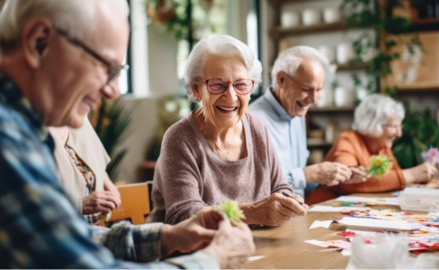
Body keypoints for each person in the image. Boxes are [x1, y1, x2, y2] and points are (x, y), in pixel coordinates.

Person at [0, 0, 254, 268]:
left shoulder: (26, 130)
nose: (114, 91)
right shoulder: (8, 140)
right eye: (104, 66)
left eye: (119, 71)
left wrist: (169, 237)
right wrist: (214, 259)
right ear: (39, 43)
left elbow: (63, 239)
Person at [148, 35, 309, 227]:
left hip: (252, 248)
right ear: (196, 89)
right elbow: (184, 215)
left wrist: (287, 202)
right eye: (217, 85)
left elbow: (279, 186)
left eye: (241, 84)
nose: (231, 96)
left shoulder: (257, 126)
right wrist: (253, 213)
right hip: (191, 253)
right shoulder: (180, 138)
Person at [249, 46, 365, 198]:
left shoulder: (297, 112)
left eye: (318, 90)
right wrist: (309, 174)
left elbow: (298, 181)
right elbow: (254, 186)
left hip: (298, 213)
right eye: (306, 88)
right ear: (281, 80)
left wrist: (330, 176)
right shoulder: (252, 119)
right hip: (268, 220)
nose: (314, 99)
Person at [305, 94, 438, 204]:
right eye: (393, 126)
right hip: (323, 214)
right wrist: (412, 174)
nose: (399, 134)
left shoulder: (382, 146)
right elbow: (347, 182)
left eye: (400, 127)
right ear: (373, 124)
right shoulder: (347, 140)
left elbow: (395, 181)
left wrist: (422, 176)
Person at [49, 122, 121, 225]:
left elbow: (94, 158)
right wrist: (81, 205)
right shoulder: (32, 134)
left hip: (90, 228)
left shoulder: (80, 116)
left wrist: (106, 182)